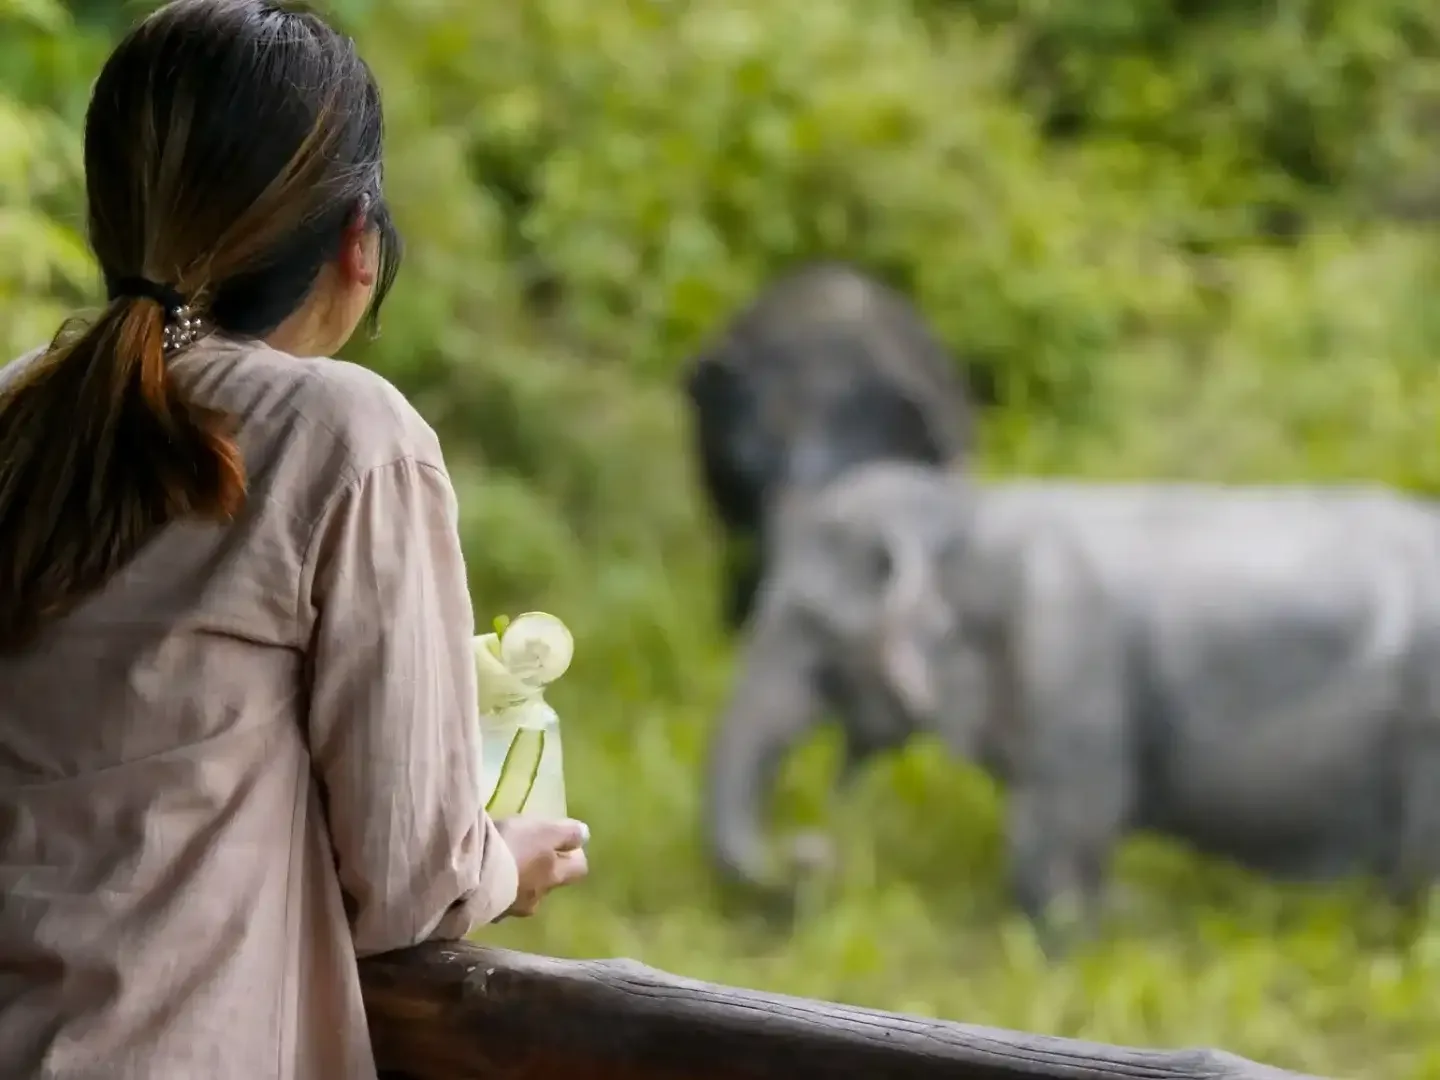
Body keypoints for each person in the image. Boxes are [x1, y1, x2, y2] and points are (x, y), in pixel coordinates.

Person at [0, 2, 590, 1077]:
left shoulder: (20, 412)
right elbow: (412, 879)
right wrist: (500, 862)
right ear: (359, 241)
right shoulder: (345, 436)